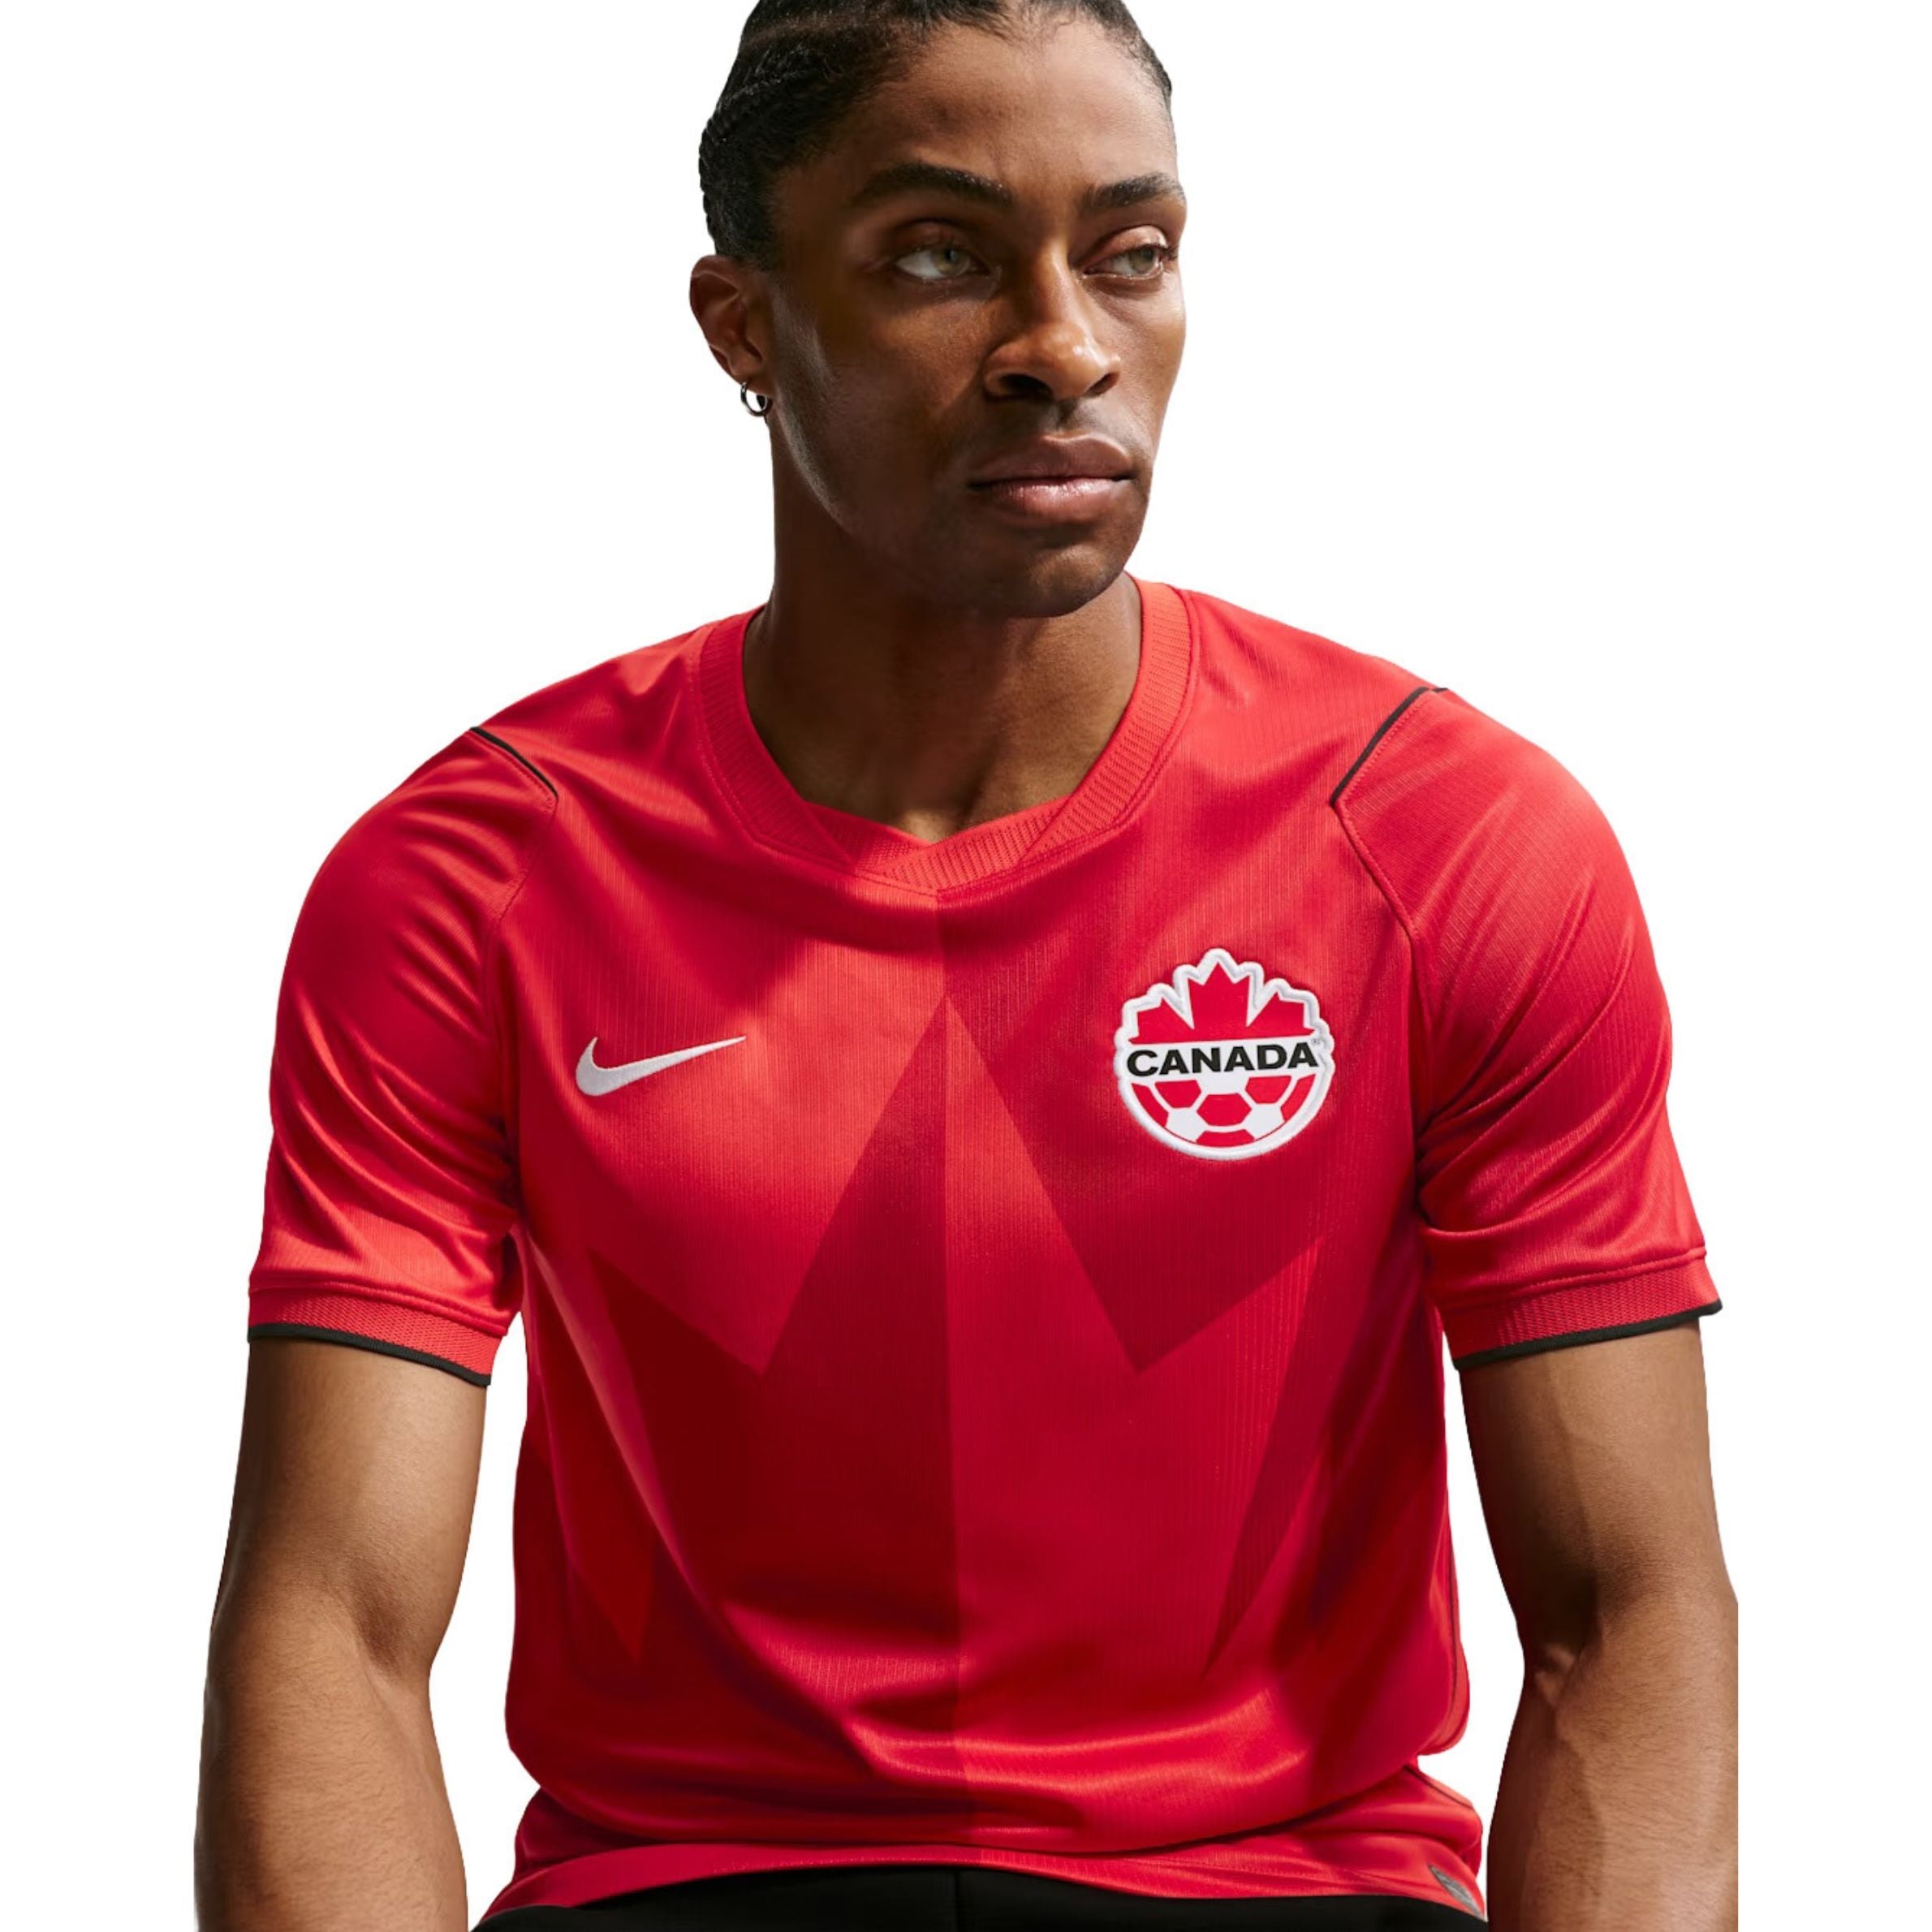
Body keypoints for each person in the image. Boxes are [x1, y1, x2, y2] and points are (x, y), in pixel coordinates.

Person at [195, 3, 1738, 1927]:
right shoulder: (472, 880)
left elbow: (1621, 1606)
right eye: (938, 256)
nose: (1063, 346)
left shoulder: (1440, 839)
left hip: (1273, 1891)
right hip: (693, 1887)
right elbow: (333, 1619)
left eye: (1129, 251)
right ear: (741, 323)